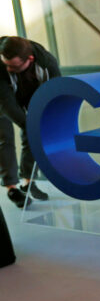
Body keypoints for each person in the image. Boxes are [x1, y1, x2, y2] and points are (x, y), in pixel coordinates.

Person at [0, 36, 60, 208]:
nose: (9, 69)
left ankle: (28, 182)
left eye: (14, 66)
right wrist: (29, 125)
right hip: (2, 97)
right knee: (5, 138)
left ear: (30, 59)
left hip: (29, 91)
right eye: (6, 65)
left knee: (33, 131)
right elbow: (7, 103)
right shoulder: (2, 66)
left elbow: (56, 89)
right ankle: (11, 188)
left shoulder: (47, 62)